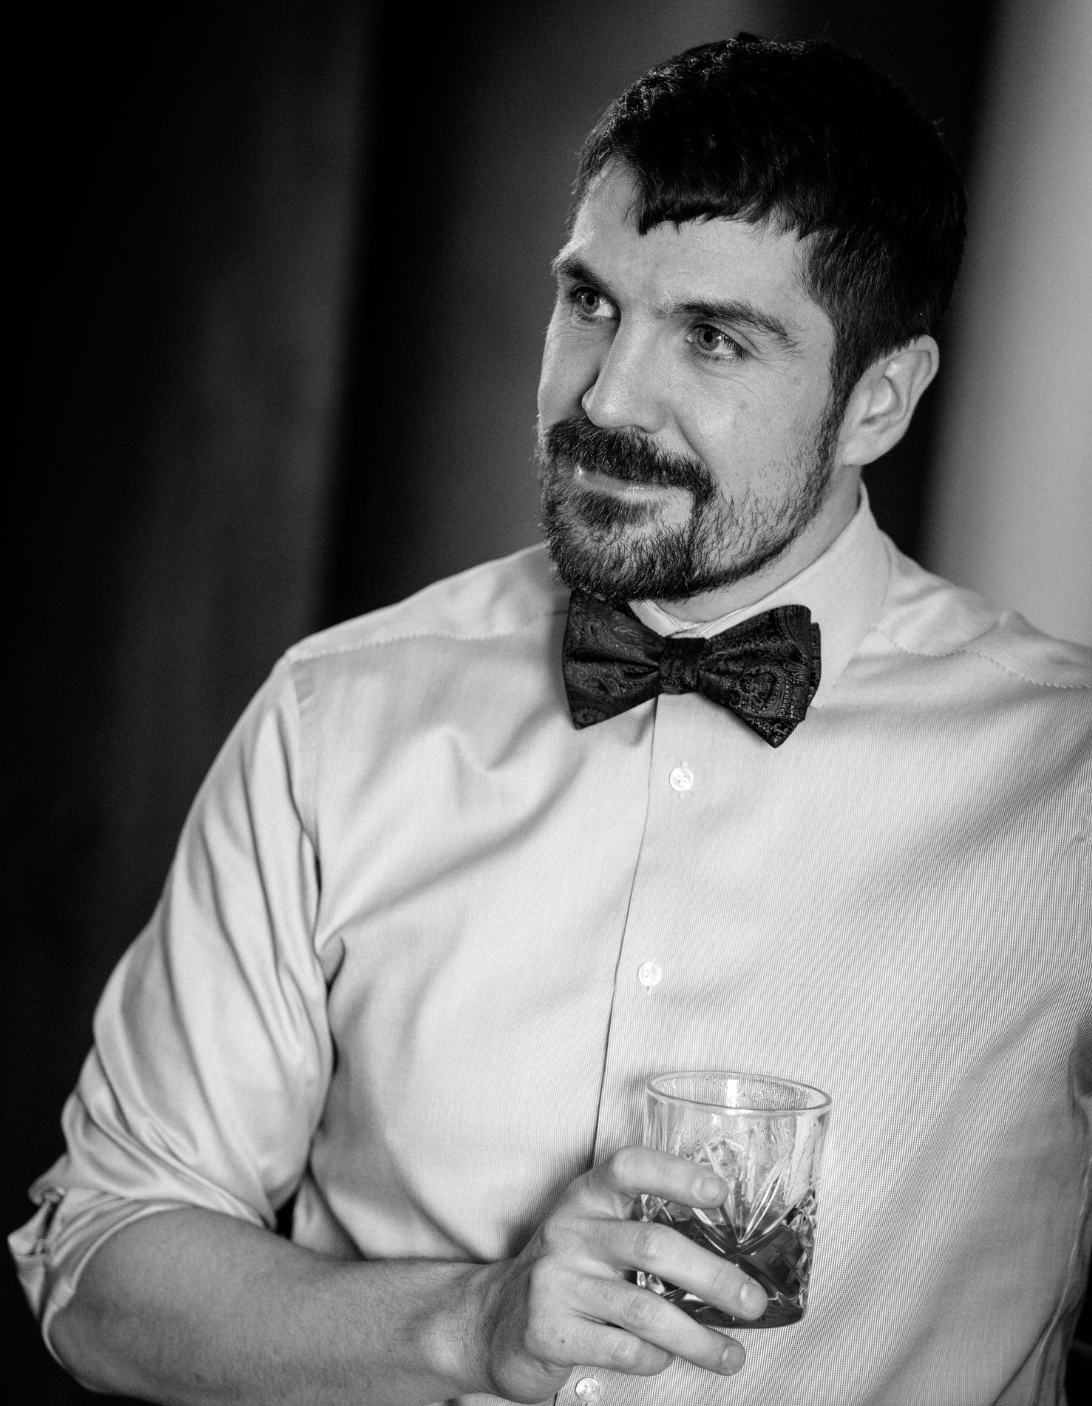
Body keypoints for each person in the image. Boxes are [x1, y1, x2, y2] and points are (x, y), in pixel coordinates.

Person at [10, 33, 1091, 1406]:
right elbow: (101, 1259)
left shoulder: (1067, 777)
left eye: (712, 337)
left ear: (877, 399)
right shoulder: (338, 715)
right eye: (589, 302)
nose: (606, 397)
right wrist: (466, 1324)